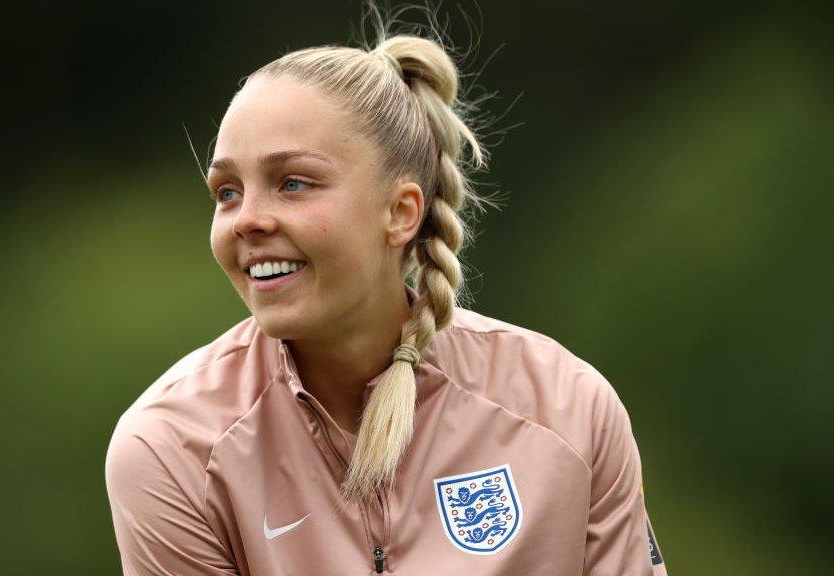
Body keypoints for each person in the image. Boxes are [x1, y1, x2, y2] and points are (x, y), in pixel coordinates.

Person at [105, 6, 668, 575]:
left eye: (292, 183)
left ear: (401, 213)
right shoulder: (173, 446)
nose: (247, 219)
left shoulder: (566, 408)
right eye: (227, 192)